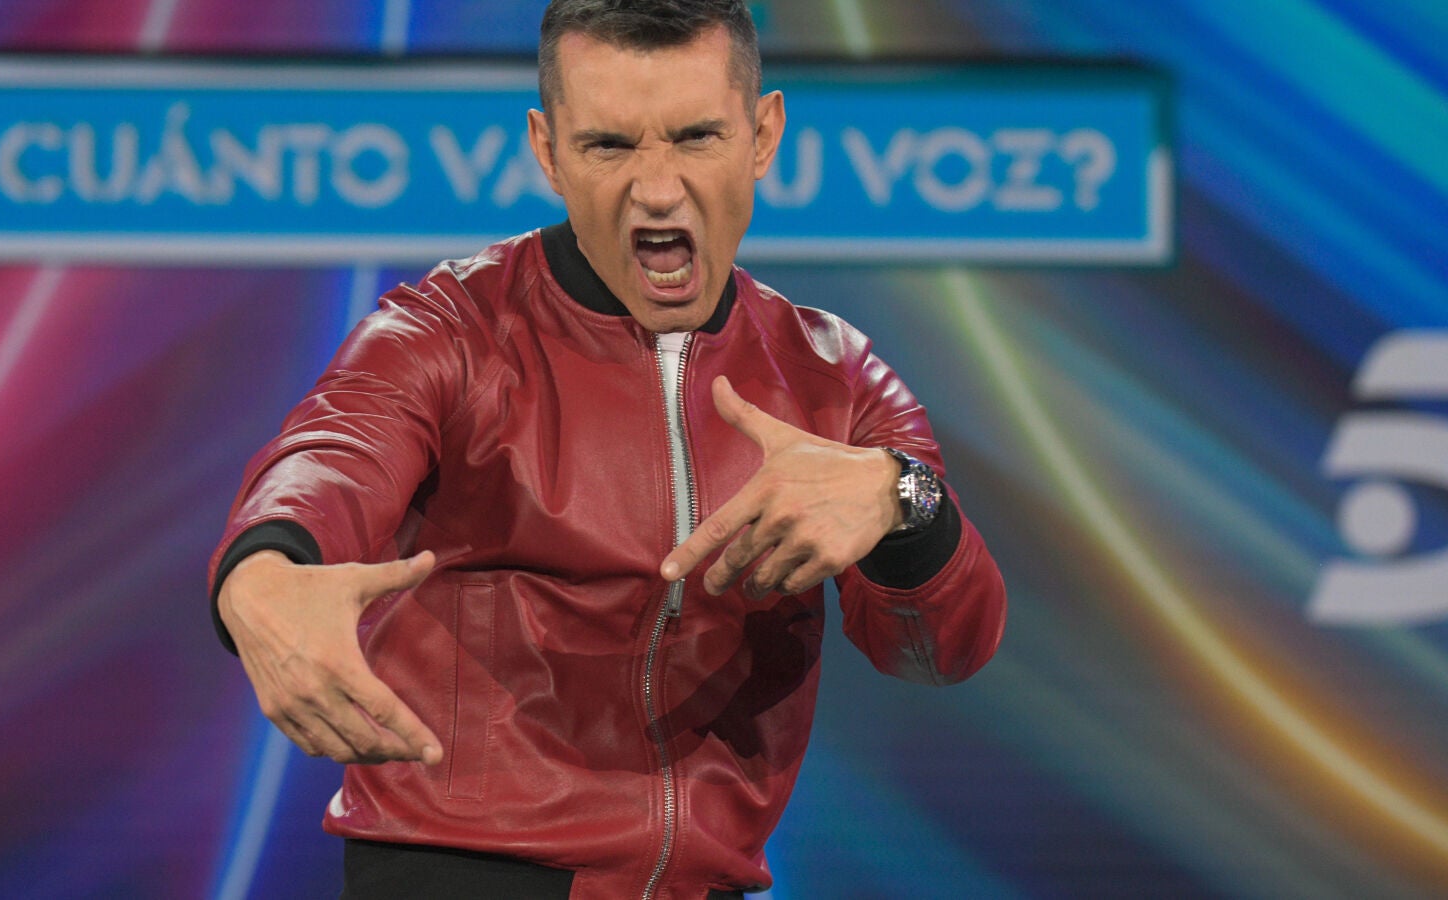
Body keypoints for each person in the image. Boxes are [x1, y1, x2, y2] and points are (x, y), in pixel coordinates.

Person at [209, 1, 1007, 897]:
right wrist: (264, 571)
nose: (657, 190)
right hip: (461, 876)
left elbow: (941, 651)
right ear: (549, 151)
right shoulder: (448, 330)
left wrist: (902, 501)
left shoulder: (836, 377)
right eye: (609, 146)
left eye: (696, 136)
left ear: (762, 134)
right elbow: (333, 452)